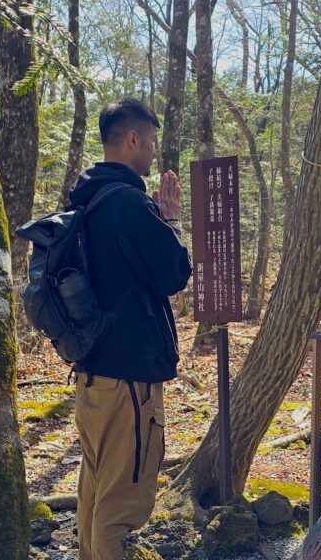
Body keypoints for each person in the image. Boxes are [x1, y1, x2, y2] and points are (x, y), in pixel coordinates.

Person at [67, 98, 192, 560]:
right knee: (121, 511)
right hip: (129, 384)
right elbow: (174, 272)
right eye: (152, 140)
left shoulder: (86, 199)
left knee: (96, 495)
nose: (154, 150)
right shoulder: (128, 202)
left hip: (93, 378)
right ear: (133, 139)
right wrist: (171, 220)